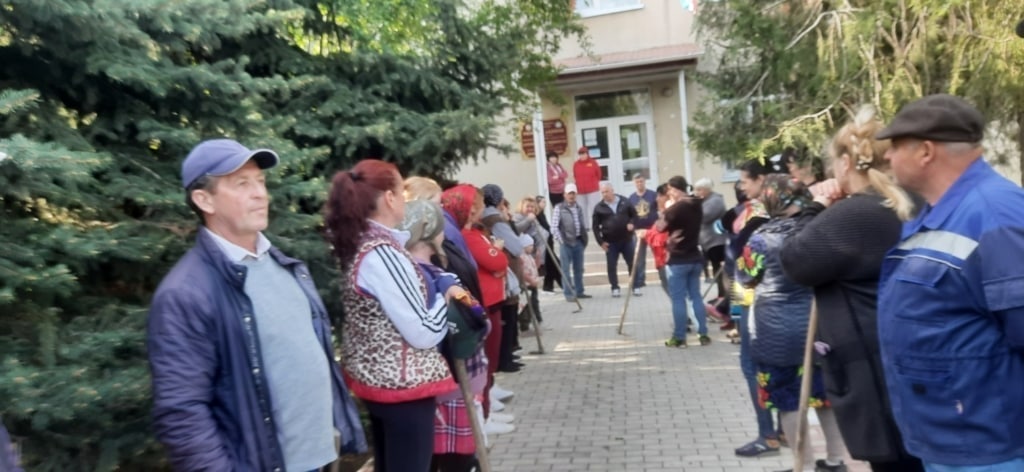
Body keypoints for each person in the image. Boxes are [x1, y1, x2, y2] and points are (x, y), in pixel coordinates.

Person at [148, 139, 366, 471]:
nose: (260, 194)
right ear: (204, 200)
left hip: (319, 458)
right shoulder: (185, 293)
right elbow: (181, 412)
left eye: (260, 181)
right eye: (242, 184)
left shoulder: (286, 267)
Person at [876, 94, 1024, 472]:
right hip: (954, 437)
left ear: (926, 152)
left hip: (992, 448)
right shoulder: (940, 213)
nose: (887, 157)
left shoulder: (995, 214)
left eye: (895, 146)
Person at [780, 106, 922, 472]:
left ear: (845, 164)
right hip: (917, 359)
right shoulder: (914, 203)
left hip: (876, 373)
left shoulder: (853, 215)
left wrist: (815, 207)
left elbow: (795, 260)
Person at [326, 159, 462, 472]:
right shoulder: (382, 254)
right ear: (389, 198)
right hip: (402, 388)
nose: (404, 199)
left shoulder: (360, 243)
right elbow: (423, 332)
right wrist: (446, 298)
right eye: (401, 192)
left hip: (379, 383)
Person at [736, 174, 849, 472]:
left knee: (787, 399)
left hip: (777, 332)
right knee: (825, 396)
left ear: (771, 199)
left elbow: (745, 277)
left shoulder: (760, 238)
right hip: (822, 325)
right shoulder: (820, 230)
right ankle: (836, 461)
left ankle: (804, 464)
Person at [660, 176, 710, 347]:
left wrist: (665, 208)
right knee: (695, 296)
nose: (668, 193)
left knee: (678, 299)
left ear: (675, 190)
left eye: (670, 190)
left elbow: (660, 227)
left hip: (678, 258)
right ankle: (703, 334)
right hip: (695, 256)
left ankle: (679, 337)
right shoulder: (697, 204)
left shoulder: (676, 208)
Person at [592, 181, 638, 297]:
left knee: (632, 263)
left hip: (627, 239)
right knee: (611, 266)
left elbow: (634, 215)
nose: (605, 194)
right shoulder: (599, 207)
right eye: (602, 192)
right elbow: (595, 227)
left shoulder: (625, 201)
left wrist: (632, 223)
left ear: (612, 191)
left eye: (606, 191)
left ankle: (635, 286)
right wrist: (601, 242)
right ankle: (615, 288)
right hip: (611, 242)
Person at [550, 183, 591, 302]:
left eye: (573, 193)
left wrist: (584, 239)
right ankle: (568, 294)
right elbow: (554, 227)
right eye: (569, 193)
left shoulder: (579, 208)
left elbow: (582, 224)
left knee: (579, 269)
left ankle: (579, 292)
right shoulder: (559, 208)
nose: (571, 196)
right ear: (564, 195)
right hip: (566, 243)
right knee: (566, 270)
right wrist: (561, 241)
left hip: (578, 241)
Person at [693, 177, 728, 301]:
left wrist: (694, 208)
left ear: (706, 189)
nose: (696, 192)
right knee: (716, 269)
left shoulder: (715, 200)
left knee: (720, 271)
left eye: (699, 190)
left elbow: (704, 217)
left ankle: (724, 296)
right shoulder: (706, 200)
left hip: (717, 241)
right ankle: (721, 295)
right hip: (709, 242)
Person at [629, 173, 658, 295]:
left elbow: (659, 210)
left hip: (652, 230)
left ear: (645, 181)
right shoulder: (631, 198)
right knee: (639, 258)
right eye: (637, 182)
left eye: (641, 181)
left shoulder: (653, 195)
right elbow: (630, 215)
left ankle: (664, 275)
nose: (639, 184)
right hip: (639, 231)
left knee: (658, 253)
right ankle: (641, 280)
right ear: (634, 183)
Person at [644, 183, 671, 295]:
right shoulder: (661, 213)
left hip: (669, 259)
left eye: (660, 196)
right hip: (661, 259)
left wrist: (648, 233)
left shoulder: (672, 213)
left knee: (674, 292)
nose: (657, 199)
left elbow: (662, 237)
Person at [535, 195, 563, 293]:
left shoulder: (542, 215)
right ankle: (560, 285)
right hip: (544, 246)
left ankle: (549, 286)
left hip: (549, 245)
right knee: (555, 264)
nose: (545, 204)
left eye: (545, 202)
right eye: (542, 202)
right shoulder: (537, 216)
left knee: (552, 266)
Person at [572, 146, 602, 230]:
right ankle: (585, 226)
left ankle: (596, 225)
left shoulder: (593, 162)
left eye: (584, 154)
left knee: (594, 208)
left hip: (593, 190)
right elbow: (575, 175)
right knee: (582, 209)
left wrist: (594, 183)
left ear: (587, 154)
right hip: (580, 191)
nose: (582, 156)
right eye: (580, 154)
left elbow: (599, 174)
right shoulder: (576, 164)